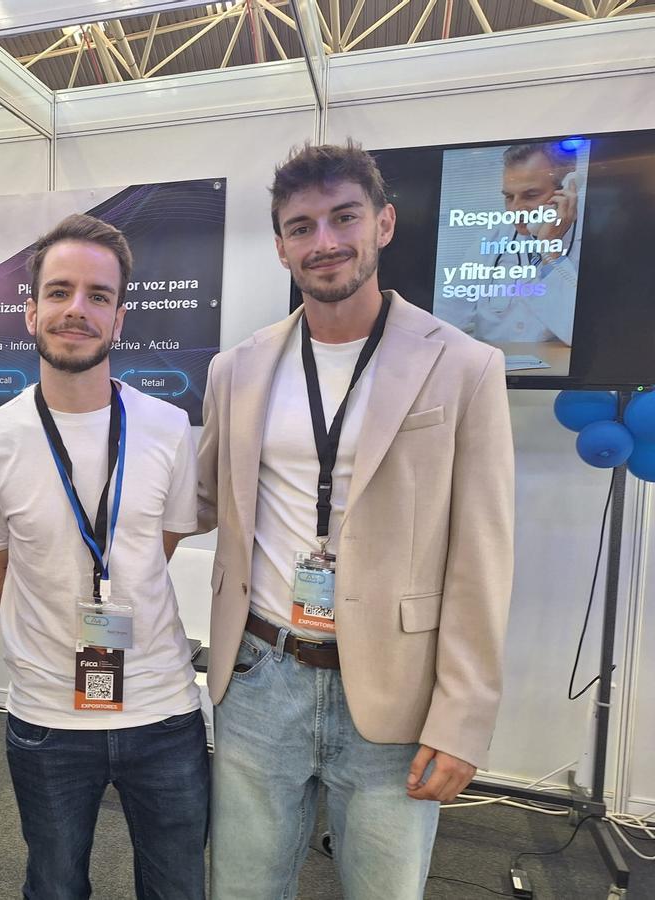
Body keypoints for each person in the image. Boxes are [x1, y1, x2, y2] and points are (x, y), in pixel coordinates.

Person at [199, 142, 515, 899]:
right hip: (260, 673)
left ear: (384, 224)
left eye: (344, 218)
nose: (324, 242)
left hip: (396, 688)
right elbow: (200, 500)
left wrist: (463, 717)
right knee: (239, 888)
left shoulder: (464, 365)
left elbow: (483, 553)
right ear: (281, 246)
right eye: (301, 227)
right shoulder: (236, 369)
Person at [0, 213, 208, 900]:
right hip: (47, 716)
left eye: (98, 295)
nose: (78, 309)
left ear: (119, 319)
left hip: (162, 710)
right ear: (31, 310)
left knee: (178, 887)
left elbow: (156, 550)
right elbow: (3, 570)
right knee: (54, 884)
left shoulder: (168, 428)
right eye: (60, 291)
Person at [435, 141, 582, 346]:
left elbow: (579, 334)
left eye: (530, 195)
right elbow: (443, 316)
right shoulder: (492, 239)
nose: (515, 209)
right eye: (509, 197)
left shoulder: (591, 241)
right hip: (494, 364)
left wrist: (550, 249)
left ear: (567, 189)